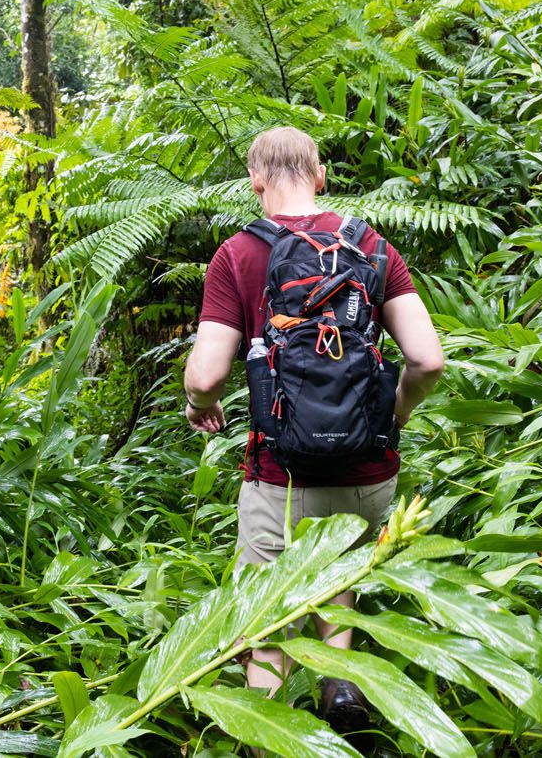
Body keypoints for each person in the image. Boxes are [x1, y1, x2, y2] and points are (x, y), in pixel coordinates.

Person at [183, 126, 444, 731]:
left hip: (281, 474)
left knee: (269, 617)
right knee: (336, 573)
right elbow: (428, 359)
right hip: (367, 472)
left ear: (256, 182)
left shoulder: (239, 256)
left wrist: (199, 404)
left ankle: (267, 734)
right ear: (320, 175)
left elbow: (205, 377)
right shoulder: (372, 246)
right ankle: (340, 688)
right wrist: (390, 418)